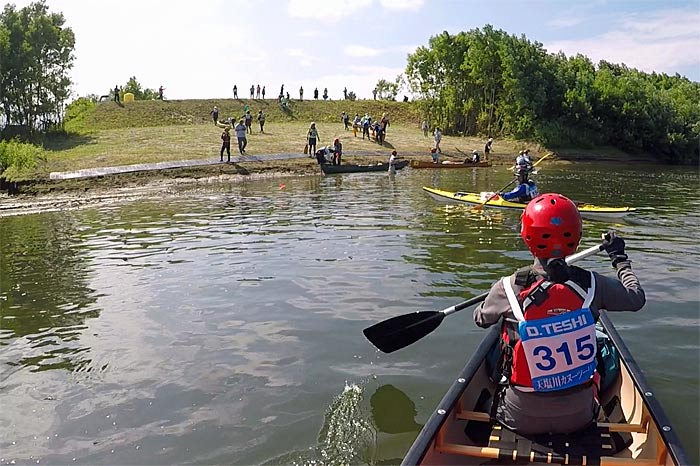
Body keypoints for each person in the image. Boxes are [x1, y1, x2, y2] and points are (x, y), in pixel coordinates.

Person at [474, 194, 645, 435]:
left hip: (519, 417)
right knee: (604, 352)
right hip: (579, 418)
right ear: (577, 237)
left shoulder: (508, 287)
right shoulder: (593, 285)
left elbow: (481, 319)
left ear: (526, 236)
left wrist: (492, 299)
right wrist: (619, 259)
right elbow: (636, 298)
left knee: (499, 343)